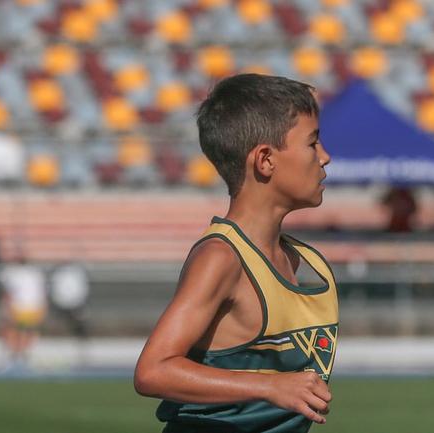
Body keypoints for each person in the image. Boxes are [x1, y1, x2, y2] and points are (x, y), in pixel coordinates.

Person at [134, 74, 338, 433]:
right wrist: (269, 387)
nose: (325, 157)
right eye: (312, 143)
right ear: (265, 160)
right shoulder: (222, 258)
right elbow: (153, 370)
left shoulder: (307, 262)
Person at [0, 255, 47, 367]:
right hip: (19, 307)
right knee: (15, 330)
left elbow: (41, 292)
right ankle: (14, 354)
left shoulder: (34, 274)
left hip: (31, 307)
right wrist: (6, 308)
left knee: (27, 331)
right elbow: (7, 293)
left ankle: (23, 354)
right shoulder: (12, 273)